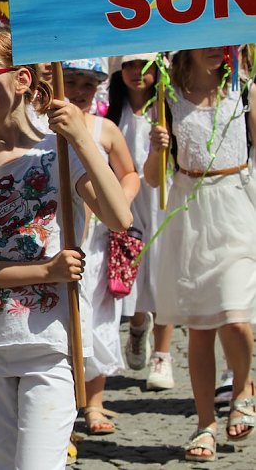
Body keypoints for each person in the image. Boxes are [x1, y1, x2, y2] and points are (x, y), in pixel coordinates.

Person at [0, 26, 132, 469]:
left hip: (50, 345)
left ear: (22, 79)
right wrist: (46, 272)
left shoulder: (59, 155)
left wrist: (83, 140)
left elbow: (119, 217)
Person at [145, 47, 256, 462]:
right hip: (189, 210)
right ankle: (205, 422)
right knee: (200, 326)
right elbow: (154, 178)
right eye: (209, 42)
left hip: (236, 205)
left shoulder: (243, 91)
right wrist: (158, 147)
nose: (218, 50)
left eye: (225, 43)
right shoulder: (167, 98)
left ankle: (243, 387)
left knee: (236, 316)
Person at [61, 58, 140, 436]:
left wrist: (117, 205)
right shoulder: (47, 125)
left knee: (99, 317)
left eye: (86, 85)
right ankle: (65, 402)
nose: (78, 91)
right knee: (66, 314)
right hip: (64, 235)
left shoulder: (103, 129)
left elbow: (129, 173)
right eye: (71, 82)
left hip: (97, 239)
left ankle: (94, 401)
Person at [105, 53, 178, 391]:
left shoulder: (166, 110)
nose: (137, 73)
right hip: (125, 202)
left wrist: (163, 146)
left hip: (162, 200)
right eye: (130, 65)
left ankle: (162, 355)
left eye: (145, 67)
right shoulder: (111, 113)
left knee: (164, 272)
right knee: (131, 271)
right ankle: (137, 325)